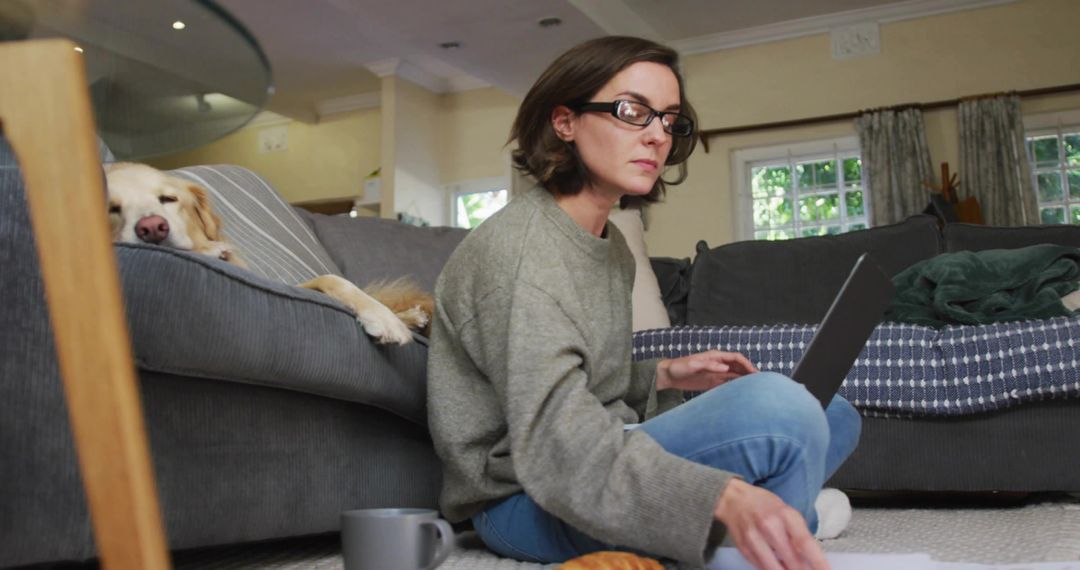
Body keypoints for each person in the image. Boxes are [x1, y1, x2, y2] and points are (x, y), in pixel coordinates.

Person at [426, 36, 861, 569]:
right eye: (633, 111)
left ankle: (760, 524)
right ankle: (771, 529)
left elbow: (578, 385)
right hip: (526, 496)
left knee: (831, 413)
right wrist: (719, 495)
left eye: (668, 119)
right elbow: (558, 445)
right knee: (782, 411)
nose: (657, 135)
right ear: (565, 122)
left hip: (596, 450)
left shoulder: (611, 248)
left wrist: (665, 375)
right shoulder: (519, 256)